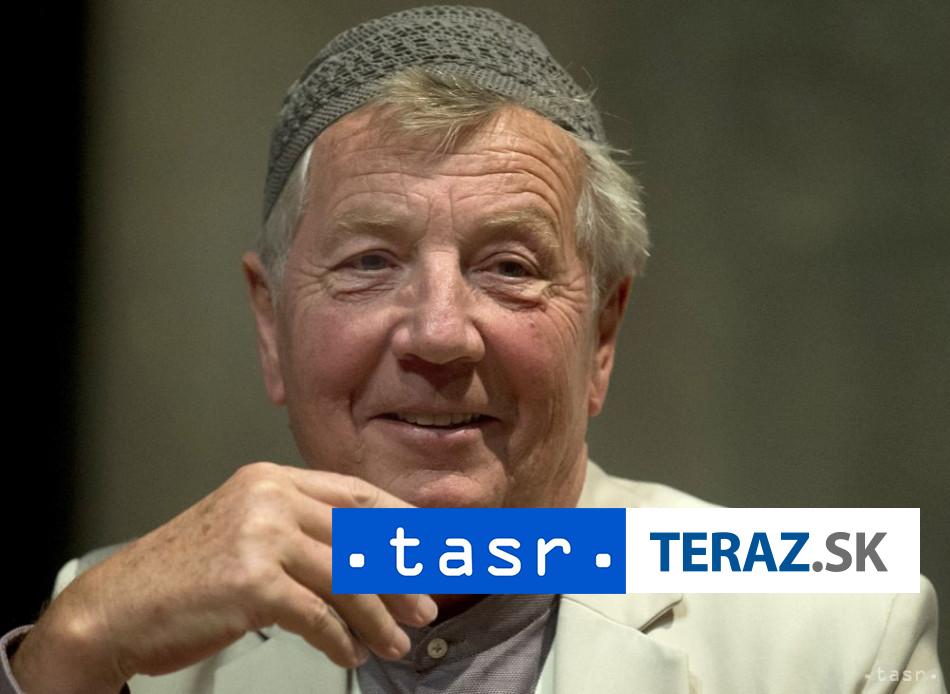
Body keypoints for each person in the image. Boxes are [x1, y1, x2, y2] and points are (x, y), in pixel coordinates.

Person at [2, 6, 944, 694]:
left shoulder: (841, 617)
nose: (440, 334)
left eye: (509, 267)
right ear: (270, 325)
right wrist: (67, 654)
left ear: (602, 333)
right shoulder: (116, 629)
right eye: (370, 263)